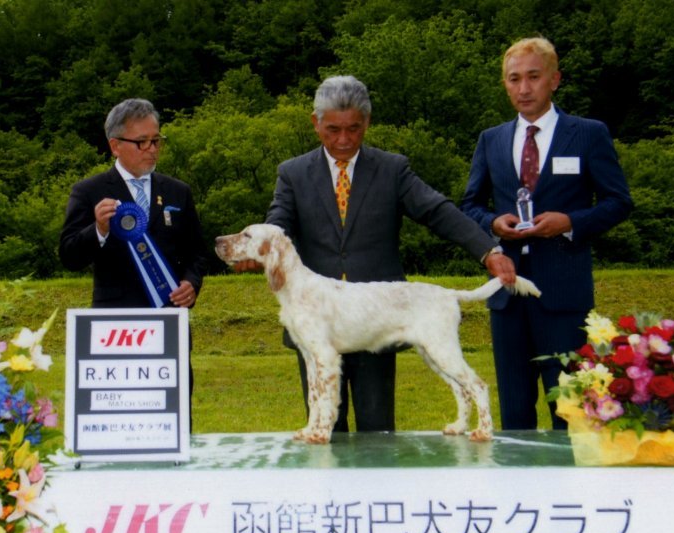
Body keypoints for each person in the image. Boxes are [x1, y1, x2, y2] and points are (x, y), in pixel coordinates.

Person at [259, 75, 516, 433]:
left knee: (378, 433)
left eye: (354, 128)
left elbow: (437, 211)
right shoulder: (292, 173)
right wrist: (260, 250)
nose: (344, 140)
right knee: (323, 431)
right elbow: (278, 225)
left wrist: (487, 250)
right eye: (333, 130)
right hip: (316, 315)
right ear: (315, 123)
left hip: (378, 317)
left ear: (367, 122)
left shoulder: (392, 169)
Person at [461, 37, 633, 430]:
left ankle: (571, 491)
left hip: (563, 292)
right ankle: (517, 491)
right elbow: (468, 205)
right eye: (514, 79)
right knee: (515, 416)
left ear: (554, 80)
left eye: (533, 77)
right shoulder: (491, 139)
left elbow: (618, 201)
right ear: (505, 84)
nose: (523, 88)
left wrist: (570, 222)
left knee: (571, 414)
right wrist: (492, 223)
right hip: (507, 294)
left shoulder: (589, 134)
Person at [59, 98, 209, 309]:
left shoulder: (179, 191)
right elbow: (69, 257)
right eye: (141, 142)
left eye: (156, 140)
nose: (152, 149)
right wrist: (99, 230)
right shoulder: (88, 191)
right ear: (115, 146)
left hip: (170, 316)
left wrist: (191, 283)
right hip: (115, 324)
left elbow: (197, 253)